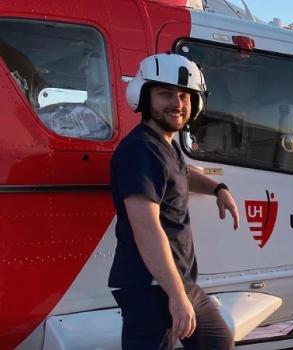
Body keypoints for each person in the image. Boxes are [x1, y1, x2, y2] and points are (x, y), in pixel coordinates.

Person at [108, 53, 240, 350]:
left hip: (175, 281)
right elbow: (147, 229)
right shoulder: (139, 151)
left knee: (217, 342)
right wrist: (177, 296)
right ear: (143, 97)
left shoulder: (163, 146)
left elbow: (180, 173)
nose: (177, 103)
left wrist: (218, 187)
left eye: (184, 96)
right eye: (165, 94)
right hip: (151, 285)